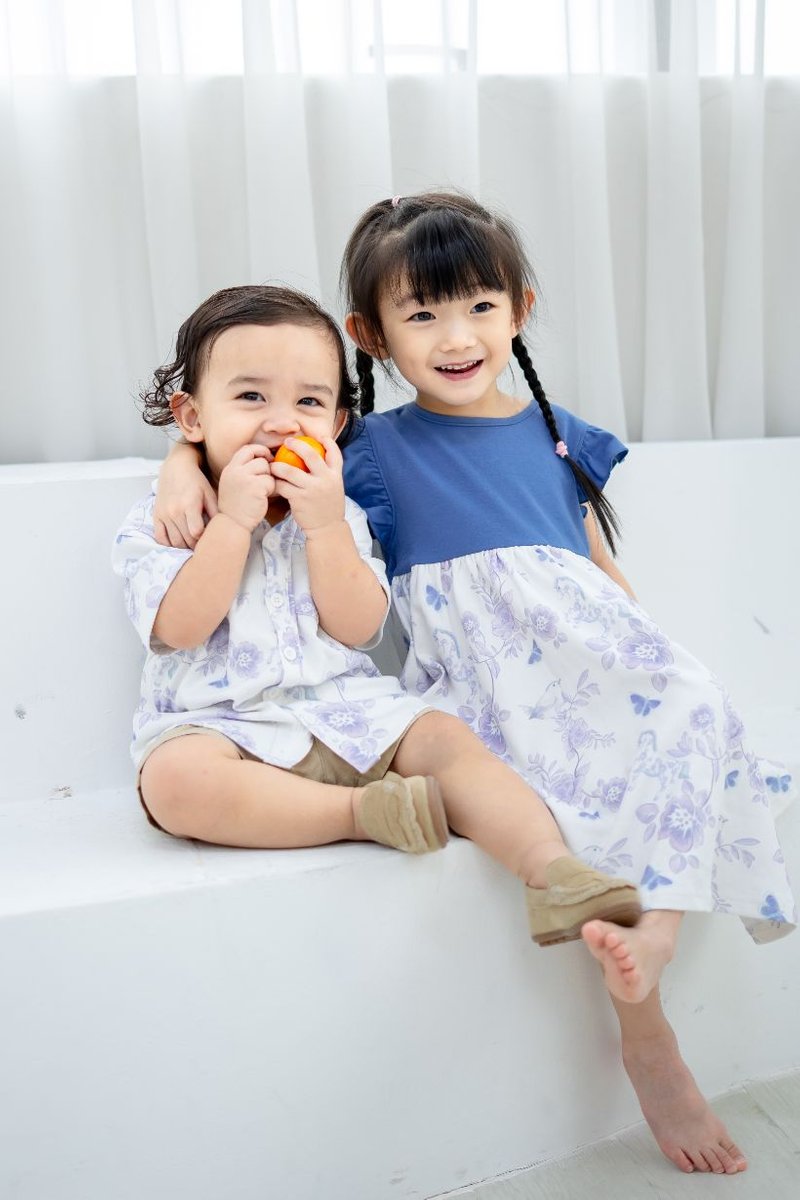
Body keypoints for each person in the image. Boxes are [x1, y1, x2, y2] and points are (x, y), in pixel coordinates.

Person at [153, 198, 796, 1175]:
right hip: (488, 667)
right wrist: (177, 464)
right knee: (553, 785)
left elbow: (594, 564)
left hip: (595, 645)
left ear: (519, 309)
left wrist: (652, 653)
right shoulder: (370, 448)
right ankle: (648, 1033)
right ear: (372, 334)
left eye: (480, 308)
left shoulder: (556, 432)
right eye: (421, 315)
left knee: (695, 707)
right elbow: (257, 434)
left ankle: (654, 940)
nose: (455, 338)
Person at [113, 283, 643, 955]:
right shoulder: (166, 520)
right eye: (250, 397)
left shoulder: (338, 512)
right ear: (192, 416)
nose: (281, 422)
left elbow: (359, 628)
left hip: (351, 712)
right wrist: (233, 524)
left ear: (337, 423)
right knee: (172, 782)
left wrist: (326, 527)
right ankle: (364, 814)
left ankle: (552, 870)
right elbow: (180, 629)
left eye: (308, 402)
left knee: (445, 738)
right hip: (224, 726)